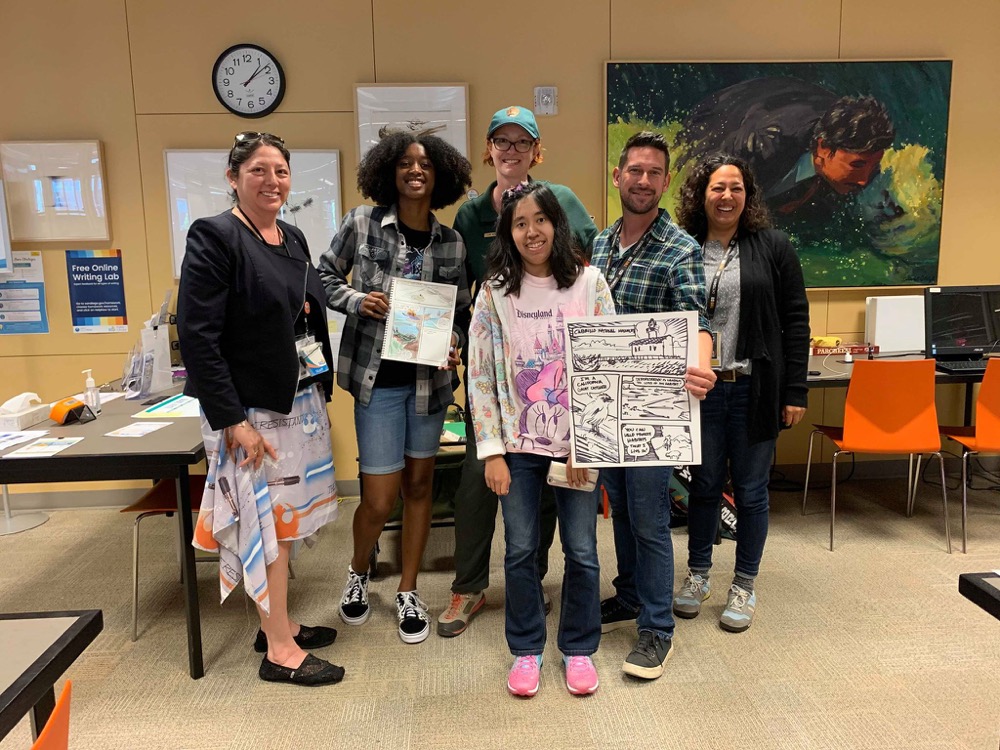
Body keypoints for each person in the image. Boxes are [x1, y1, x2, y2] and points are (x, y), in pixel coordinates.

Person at [178, 131, 343, 686]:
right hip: (247, 412)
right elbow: (198, 336)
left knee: (286, 522)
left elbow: (305, 307)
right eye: (259, 171)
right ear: (233, 178)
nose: (272, 181)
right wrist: (232, 421)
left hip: (294, 402)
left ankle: (279, 622)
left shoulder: (291, 234)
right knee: (266, 523)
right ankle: (280, 652)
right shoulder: (215, 236)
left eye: (281, 172)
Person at [438, 105, 599, 638]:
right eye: (500, 142)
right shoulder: (470, 215)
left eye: (520, 142)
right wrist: (453, 342)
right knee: (479, 486)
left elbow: (586, 284)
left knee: (555, 510)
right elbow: (465, 297)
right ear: (489, 149)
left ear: (536, 149)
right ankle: (470, 587)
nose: (510, 150)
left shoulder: (561, 203)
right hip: (500, 385)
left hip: (565, 413)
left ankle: (534, 583)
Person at [319, 132, 472, 645]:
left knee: (421, 488)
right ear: (389, 171)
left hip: (429, 385)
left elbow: (463, 312)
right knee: (380, 499)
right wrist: (358, 300)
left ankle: (409, 589)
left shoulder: (451, 241)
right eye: (405, 162)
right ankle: (359, 570)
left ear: (440, 175)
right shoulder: (361, 223)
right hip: (377, 383)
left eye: (425, 163)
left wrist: (453, 342)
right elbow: (319, 277)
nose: (415, 170)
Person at [468, 182, 615, 696]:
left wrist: (587, 441)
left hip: (577, 447)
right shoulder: (493, 292)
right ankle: (526, 649)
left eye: (540, 220)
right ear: (508, 233)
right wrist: (491, 452)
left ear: (557, 223)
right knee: (520, 550)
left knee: (582, 549)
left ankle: (578, 649)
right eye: (519, 223)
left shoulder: (590, 284)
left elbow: (606, 367)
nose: (532, 231)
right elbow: (480, 374)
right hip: (517, 450)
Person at [591, 131, 716, 680]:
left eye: (653, 173)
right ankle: (630, 594)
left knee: (649, 520)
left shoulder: (681, 249)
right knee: (617, 510)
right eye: (634, 170)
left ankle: (657, 629)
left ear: (665, 183)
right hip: (603, 408)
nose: (642, 180)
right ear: (618, 177)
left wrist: (703, 362)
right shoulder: (598, 244)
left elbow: (699, 323)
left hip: (653, 410)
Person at [673, 153, 810, 631]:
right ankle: (698, 574)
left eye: (735, 188)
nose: (726, 196)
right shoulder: (683, 245)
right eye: (717, 187)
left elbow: (796, 321)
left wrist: (795, 392)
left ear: (747, 196)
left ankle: (744, 583)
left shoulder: (772, 246)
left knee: (751, 492)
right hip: (703, 392)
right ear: (701, 194)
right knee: (704, 487)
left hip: (754, 388)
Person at [679, 78, 895, 219]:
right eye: (857, 165)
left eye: (873, 164)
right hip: (715, 120)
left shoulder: (860, 145)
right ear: (823, 148)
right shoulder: (763, 146)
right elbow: (697, 190)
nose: (864, 179)